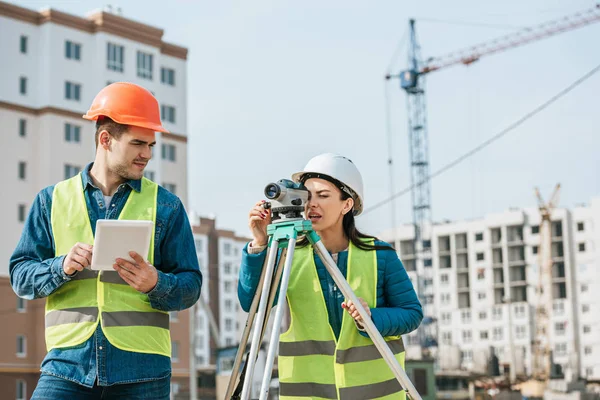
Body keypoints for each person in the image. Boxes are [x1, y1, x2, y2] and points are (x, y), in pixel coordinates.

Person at [9, 82, 202, 399]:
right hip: (66, 366)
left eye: (151, 145)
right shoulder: (51, 201)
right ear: (105, 139)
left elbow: (190, 285)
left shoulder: (166, 207)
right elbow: (20, 276)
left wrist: (157, 283)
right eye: (138, 143)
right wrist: (61, 267)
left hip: (143, 372)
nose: (147, 155)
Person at [238, 153, 423, 400]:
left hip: (373, 393)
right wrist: (260, 244)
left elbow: (411, 313)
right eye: (307, 196)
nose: (312, 204)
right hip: (309, 393)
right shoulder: (288, 254)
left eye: (323, 196)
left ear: (347, 204)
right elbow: (252, 304)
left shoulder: (379, 255)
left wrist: (371, 318)